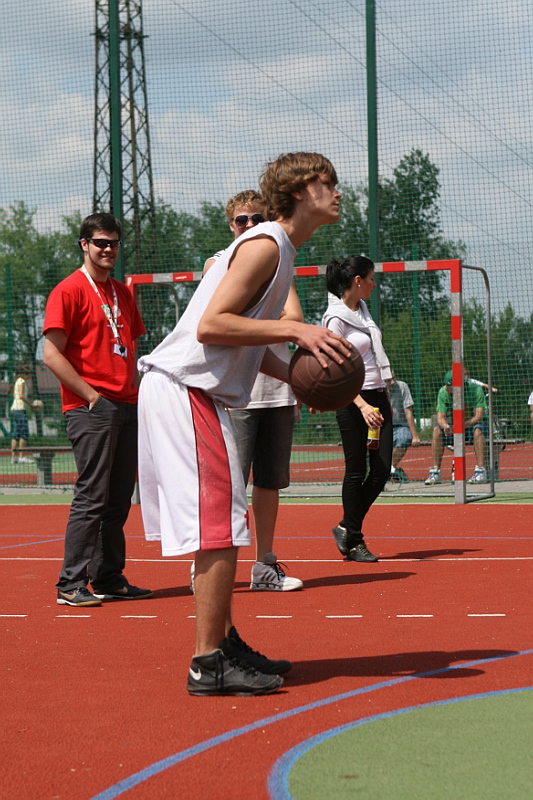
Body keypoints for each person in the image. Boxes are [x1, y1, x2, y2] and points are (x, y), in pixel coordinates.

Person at [137, 152, 350, 696]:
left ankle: (224, 642)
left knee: (226, 522)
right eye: (327, 182)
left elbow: (244, 343)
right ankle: (207, 663)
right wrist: (297, 332)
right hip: (184, 389)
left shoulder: (281, 250)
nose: (338, 191)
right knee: (220, 526)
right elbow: (212, 326)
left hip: (196, 393)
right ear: (299, 191)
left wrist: (299, 377)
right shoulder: (266, 244)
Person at [43, 212, 153, 607]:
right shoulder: (68, 291)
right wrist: (91, 396)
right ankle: (70, 583)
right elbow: (51, 355)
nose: (108, 249)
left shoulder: (123, 293)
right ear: (84, 244)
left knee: (119, 498)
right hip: (91, 407)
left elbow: (129, 349)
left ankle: (108, 576)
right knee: (92, 496)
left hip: (126, 405)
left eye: (113, 243)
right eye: (100, 242)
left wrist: (136, 395)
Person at [203, 190, 303, 592]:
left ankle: (264, 565)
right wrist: (268, 318)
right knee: (227, 486)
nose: (249, 225)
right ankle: (205, 567)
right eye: (241, 220)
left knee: (269, 482)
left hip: (276, 391)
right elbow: (220, 321)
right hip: (236, 392)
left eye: (257, 219)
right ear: (231, 225)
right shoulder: (218, 263)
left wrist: (250, 317)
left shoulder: (277, 261)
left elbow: (295, 316)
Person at [322, 256, 393, 564]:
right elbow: (336, 370)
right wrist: (362, 405)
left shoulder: (363, 311)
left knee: (381, 470)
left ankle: (345, 527)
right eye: (372, 278)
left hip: (378, 397)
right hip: (353, 401)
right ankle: (355, 541)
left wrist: (382, 393)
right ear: (357, 281)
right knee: (356, 471)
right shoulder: (334, 318)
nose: (375, 284)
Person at [425, 370, 489, 485]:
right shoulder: (443, 392)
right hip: (455, 426)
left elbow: (478, 416)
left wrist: (461, 426)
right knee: (437, 430)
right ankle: (435, 472)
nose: (447, 389)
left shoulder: (476, 390)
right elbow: (440, 417)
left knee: (478, 431)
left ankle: (481, 471)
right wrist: (445, 426)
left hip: (473, 426)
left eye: (450, 386)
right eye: (446, 385)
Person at [388, 369, 420, 482]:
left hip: (400, 425)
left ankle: (388, 468)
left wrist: (415, 436)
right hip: (382, 427)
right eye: (389, 379)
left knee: (404, 438)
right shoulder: (377, 390)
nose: (392, 382)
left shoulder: (402, 387)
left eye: (394, 378)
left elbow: (408, 412)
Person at [10, 367, 34, 464]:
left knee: (15, 434)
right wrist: (31, 404)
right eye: (27, 374)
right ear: (23, 374)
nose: (29, 376)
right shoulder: (22, 381)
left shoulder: (17, 381)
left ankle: (13, 458)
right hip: (20, 410)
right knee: (23, 433)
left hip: (14, 409)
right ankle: (21, 457)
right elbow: (21, 396)